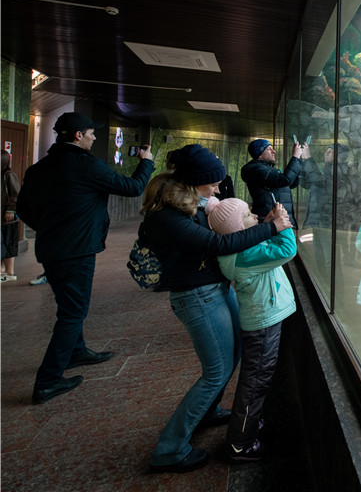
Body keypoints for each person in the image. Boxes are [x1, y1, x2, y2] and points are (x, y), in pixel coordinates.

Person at [139, 144, 292, 473]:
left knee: (233, 356)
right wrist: (270, 228)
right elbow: (217, 243)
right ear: (196, 181)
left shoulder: (194, 203)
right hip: (196, 296)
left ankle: (208, 412)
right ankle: (170, 448)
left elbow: (227, 221)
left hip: (213, 290)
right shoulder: (167, 216)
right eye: (214, 182)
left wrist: (258, 221)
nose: (219, 188)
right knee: (216, 373)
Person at [17, 112, 154, 404]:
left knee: (69, 305)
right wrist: (147, 162)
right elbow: (133, 188)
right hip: (75, 251)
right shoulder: (87, 166)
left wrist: (53, 229)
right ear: (78, 135)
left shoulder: (37, 169)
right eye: (91, 133)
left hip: (51, 249)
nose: (94, 137)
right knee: (72, 313)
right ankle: (48, 380)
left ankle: (76, 351)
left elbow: (24, 211)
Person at [205, 196, 297, 463]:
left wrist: (268, 222)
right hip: (263, 323)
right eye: (248, 215)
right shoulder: (243, 254)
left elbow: (254, 235)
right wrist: (283, 224)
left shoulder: (238, 247)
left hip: (262, 319)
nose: (255, 216)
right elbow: (286, 250)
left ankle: (247, 424)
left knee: (257, 377)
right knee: (256, 380)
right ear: (236, 230)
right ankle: (239, 443)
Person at [298, 143, 361, 276]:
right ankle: (324, 282)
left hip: (329, 222)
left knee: (330, 260)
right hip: (319, 221)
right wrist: (303, 163)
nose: (326, 153)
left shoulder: (340, 170)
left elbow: (318, 181)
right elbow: (307, 183)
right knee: (320, 257)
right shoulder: (327, 169)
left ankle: (336, 289)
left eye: (331, 151)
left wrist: (309, 158)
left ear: (340, 156)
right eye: (326, 151)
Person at [240, 138, 302, 228]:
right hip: (271, 220)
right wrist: (295, 158)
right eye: (269, 149)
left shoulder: (267, 169)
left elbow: (289, 184)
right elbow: (285, 180)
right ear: (259, 155)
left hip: (279, 219)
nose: (274, 151)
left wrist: (300, 162)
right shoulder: (257, 170)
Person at [2, 150, 21, 282]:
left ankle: (10, 273)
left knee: (8, 242)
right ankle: (2, 270)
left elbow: (15, 194)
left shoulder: (8, 175)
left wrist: (10, 210)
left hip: (7, 217)